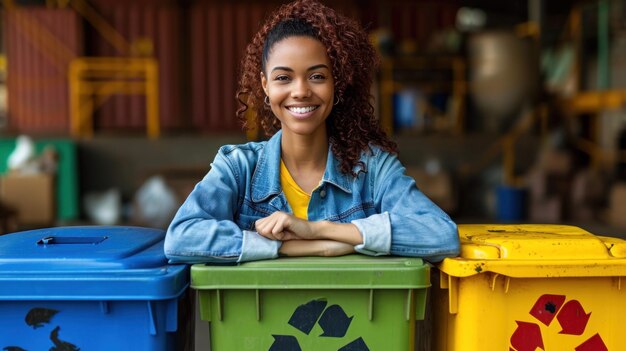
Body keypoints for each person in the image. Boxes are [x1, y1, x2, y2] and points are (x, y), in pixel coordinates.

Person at [164, 0, 459, 263]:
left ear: (337, 83)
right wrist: (299, 248)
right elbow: (181, 238)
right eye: (284, 78)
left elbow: (439, 234)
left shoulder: (373, 169)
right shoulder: (239, 168)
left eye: (317, 76)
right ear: (265, 85)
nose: (301, 91)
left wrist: (320, 230)